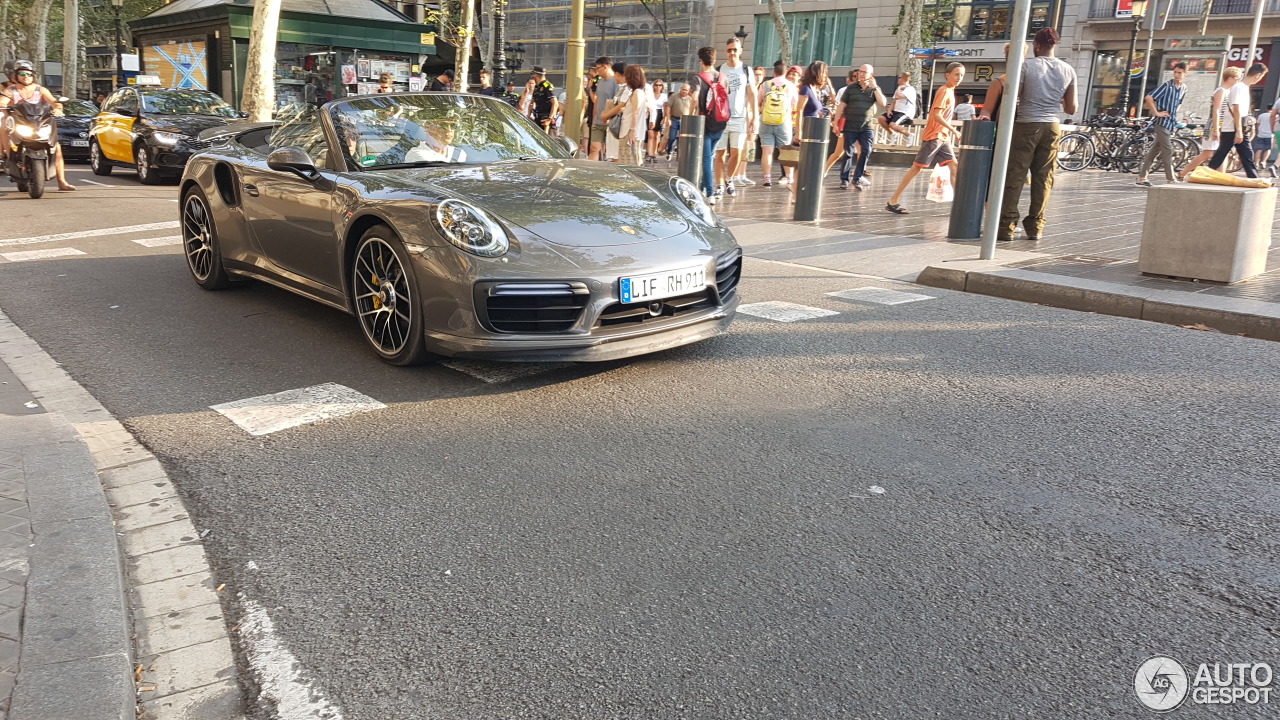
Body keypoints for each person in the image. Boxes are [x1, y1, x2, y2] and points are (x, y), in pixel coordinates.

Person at [995, 28, 1076, 241]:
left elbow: (1012, 98)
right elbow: (1071, 108)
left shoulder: (1026, 66)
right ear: (1054, 45)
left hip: (1026, 124)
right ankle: (1036, 227)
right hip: (1052, 126)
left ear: (1037, 46)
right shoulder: (1068, 70)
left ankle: (1006, 227)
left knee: (1016, 175)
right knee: (1044, 179)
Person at [885, 62, 963, 214]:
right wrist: (953, 130)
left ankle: (959, 205)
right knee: (917, 168)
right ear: (947, 75)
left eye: (961, 75)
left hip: (942, 137)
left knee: (954, 166)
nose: (959, 78)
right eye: (956, 74)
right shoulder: (944, 91)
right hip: (934, 136)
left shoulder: (950, 91)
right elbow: (936, 115)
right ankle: (893, 200)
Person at [0, 61, 75, 191]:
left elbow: (54, 103)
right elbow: (3, 101)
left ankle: (62, 182)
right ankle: (7, 154)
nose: (26, 76)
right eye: (22, 74)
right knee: (4, 127)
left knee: (56, 148)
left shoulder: (40, 90)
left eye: (29, 74)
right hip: (19, 123)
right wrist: (4, 106)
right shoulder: (11, 90)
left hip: (39, 123)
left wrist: (58, 109)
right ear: (16, 76)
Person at [713, 37, 757, 197]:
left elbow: (752, 93)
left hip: (739, 118)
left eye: (735, 50)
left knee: (737, 152)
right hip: (721, 118)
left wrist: (754, 117)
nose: (732, 53)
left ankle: (729, 178)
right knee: (720, 153)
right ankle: (718, 185)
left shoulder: (746, 70)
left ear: (740, 51)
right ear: (726, 51)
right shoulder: (719, 70)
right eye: (729, 50)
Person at [1208, 62, 1268, 178]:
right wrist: (1239, 131)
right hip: (1234, 127)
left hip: (1235, 127)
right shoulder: (1239, 88)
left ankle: (1204, 173)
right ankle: (1254, 178)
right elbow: (1236, 109)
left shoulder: (1242, 88)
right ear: (1258, 75)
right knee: (1244, 155)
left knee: (1226, 154)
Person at [1135, 62, 1188, 187]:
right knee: (1168, 149)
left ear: (1185, 74)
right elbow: (1149, 97)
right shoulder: (1167, 86)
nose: (1176, 75)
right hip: (1162, 122)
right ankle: (1171, 178)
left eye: (1179, 73)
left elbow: (1180, 102)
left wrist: (1174, 111)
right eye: (1175, 72)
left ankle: (1142, 177)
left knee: (1154, 151)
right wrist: (1157, 113)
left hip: (1170, 122)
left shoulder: (1184, 88)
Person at [837, 64, 887, 191]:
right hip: (851, 125)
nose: (861, 74)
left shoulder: (873, 89)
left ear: (871, 75)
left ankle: (857, 177)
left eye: (865, 72)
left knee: (866, 150)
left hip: (867, 126)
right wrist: (836, 122)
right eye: (860, 71)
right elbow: (841, 105)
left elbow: (883, 103)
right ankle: (844, 179)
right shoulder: (851, 88)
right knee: (848, 153)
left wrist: (875, 87)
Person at [1177, 73, 1233, 182]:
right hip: (1214, 125)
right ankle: (1182, 172)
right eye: (1237, 78)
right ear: (1230, 78)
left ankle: (1221, 177)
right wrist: (1216, 128)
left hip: (1223, 125)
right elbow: (1216, 110)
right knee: (1207, 153)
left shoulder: (1228, 92)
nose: (1238, 81)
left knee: (1223, 152)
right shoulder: (1221, 91)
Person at [693, 46, 728, 203]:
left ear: (701, 61)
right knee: (711, 157)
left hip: (705, 122)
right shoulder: (723, 77)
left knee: (706, 159)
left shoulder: (698, 78)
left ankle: (710, 192)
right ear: (714, 60)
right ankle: (701, 186)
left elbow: (694, 99)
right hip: (721, 122)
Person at [757, 60, 796, 188]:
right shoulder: (790, 85)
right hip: (784, 122)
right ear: (786, 71)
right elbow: (794, 104)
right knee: (786, 152)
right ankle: (789, 178)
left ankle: (767, 179)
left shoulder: (765, 84)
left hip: (766, 121)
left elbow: (758, 101)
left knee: (767, 151)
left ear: (774, 71)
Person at [613, 64, 650, 166]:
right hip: (633, 132)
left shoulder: (636, 93)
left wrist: (632, 130)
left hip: (629, 132)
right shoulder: (639, 92)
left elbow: (635, 112)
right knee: (631, 159)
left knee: (629, 161)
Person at [589, 57, 618, 161]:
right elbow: (597, 100)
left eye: (598, 68)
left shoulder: (616, 81)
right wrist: (594, 117)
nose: (596, 71)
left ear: (605, 67)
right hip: (598, 121)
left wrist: (609, 117)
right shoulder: (600, 82)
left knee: (612, 152)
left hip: (611, 121)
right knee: (594, 148)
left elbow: (618, 103)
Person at [876, 71, 916, 138]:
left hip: (905, 112)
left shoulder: (910, 89)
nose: (898, 79)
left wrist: (899, 88)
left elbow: (898, 96)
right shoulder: (898, 89)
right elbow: (895, 100)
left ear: (903, 78)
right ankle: (892, 134)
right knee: (881, 119)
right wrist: (889, 110)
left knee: (892, 124)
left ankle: (909, 135)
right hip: (896, 111)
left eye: (899, 77)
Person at [526, 67, 558, 134]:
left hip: (546, 121)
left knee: (549, 142)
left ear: (536, 75)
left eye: (533, 74)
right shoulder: (537, 87)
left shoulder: (547, 86)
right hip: (538, 120)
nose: (533, 76)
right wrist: (528, 116)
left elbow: (555, 103)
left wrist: (549, 119)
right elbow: (532, 103)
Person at [663, 81, 689, 159]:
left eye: (686, 90)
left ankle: (681, 154)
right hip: (674, 119)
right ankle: (669, 151)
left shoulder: (690, 99)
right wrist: (668, 118)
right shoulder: (674, 96)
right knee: (672, 137)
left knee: (683, 139)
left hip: (685, 120)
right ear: (680, 89)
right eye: (683, 89)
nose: (684, 91)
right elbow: (668, 107)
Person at [647, 79, 666, 161]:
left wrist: (664, 118)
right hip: (651, 114)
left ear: (662, 87)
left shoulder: (664, 96)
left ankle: (654, 154)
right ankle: (649, 153)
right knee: (650, 135)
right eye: (656, 85)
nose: (658, 87)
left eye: (660, 85)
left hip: (659, 114)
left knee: (656, 135)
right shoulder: (650, 95)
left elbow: (665, 108)